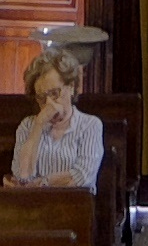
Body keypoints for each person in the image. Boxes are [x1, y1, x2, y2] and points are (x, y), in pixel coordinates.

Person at [7, 48, 104, 188]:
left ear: (71, 87)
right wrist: (39, 124)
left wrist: (42, 183)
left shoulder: (90, 125)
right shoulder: (28, 126)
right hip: (33, 207)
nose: (49, 104)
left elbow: (82, 176)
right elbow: (21, 175)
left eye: (54, 93)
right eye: (41, 98)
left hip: (75, 206)